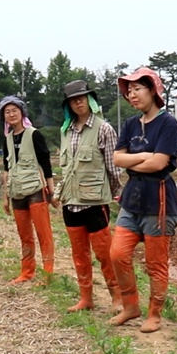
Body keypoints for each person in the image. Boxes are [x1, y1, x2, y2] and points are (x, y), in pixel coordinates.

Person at [109, 67, 177, 333]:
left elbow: (160, 163)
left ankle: (155, 313)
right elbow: (117, 159)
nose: (132, 94)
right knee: (117, 253)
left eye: (137, 89)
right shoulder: (130, 124)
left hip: (159, 201)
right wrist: (145, 157)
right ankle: (131, 306)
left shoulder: (168, 123)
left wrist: (136, 160)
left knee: (155, 264)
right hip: (132, 199)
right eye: (129, 91)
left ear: (153, 90)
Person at [58, 80, 123, 312]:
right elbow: (65, 168)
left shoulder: (104, 128)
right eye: (73, 100)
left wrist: (115, 194)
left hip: (95, 202)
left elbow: (113, 168)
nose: (78, 102)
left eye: (82, 97)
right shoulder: (65, 130)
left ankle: (117, 297)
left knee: (104, 253)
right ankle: (86, 298)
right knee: (79, 254)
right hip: (71, 202)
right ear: (69, 105)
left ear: (89, 100)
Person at [0, 95, 57, 284]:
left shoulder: (34, 134)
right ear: (3, 117)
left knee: (43, 232)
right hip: (16, 192)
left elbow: (46, 164)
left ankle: (47, 272)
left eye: (14, 110)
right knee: (25, 235)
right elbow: (7, 169)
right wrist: (5, 196)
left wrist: (52, 192)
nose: (11, 114)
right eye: (7, 112)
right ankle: (27, 271)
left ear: (22, 112)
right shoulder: (7, 140)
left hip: (35, 190)